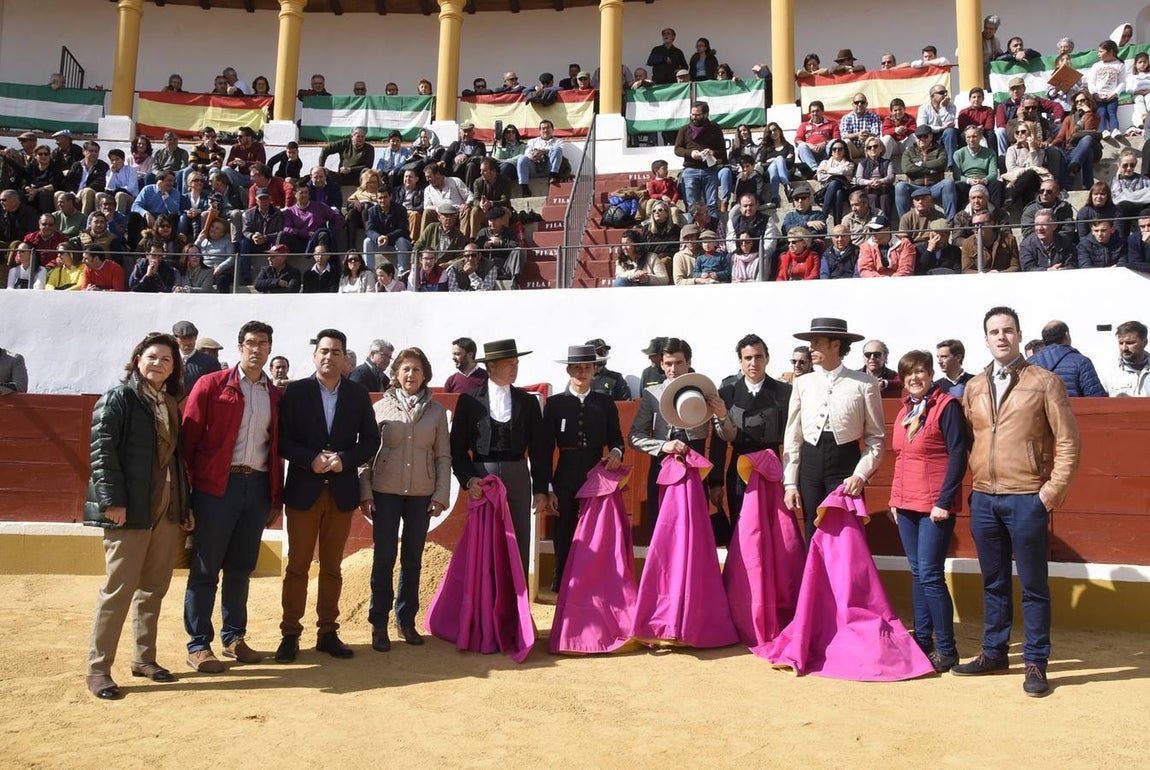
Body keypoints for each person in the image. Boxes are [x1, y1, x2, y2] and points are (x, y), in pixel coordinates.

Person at [953, 307, 1080, 698]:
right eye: (994, 332)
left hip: (1027, 496)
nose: (1002, 337)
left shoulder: (1046, 382)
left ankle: (1036, 661)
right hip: (986, 498)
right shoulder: (974, 386)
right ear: (986, 339)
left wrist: (1050, 493)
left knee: (1034, 584)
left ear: (1020, 335)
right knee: (993, 582)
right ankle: (994, 652)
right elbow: (970, 441)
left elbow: (1068, 441)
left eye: (1008, 330)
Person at [84, 333, 191, 700]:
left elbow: (176, 460)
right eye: (152, 357)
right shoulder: (119, 397)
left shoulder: (168, 403)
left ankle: (144, 658)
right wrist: (112, 502)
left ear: (174, 367)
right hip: (128, 508)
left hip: (163, 509)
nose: (158, 364)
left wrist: (183, 506)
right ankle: (99, 670)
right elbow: (102, 453)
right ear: (137, 360)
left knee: (154, 588)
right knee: (118, 590)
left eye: (166, 359)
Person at [180, 321, 282, 674]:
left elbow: (275, 449)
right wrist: (189, 495)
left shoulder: (273, 394)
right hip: (215, 488)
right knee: (206, 568)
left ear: (270, 349)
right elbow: (187, 443)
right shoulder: (211, 384)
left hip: (255, 486)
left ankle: (234, 638)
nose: (256, 349)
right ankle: (198, 644)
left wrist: (274, 497)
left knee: (241, 568)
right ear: (239, 348)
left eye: (263, 343)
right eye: (250, 343)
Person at [275, 329, 380, 663]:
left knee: (333, 567)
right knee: (298, 567)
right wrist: (310, 458)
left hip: (341, 491)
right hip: (304, 490)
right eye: (323, 351)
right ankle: (290, 633)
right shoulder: (296, 392)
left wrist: (344, 460)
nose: (328, 357)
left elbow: (370, 440)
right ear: (314, 355)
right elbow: (282, 440)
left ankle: (327, 632)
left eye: (336, 352)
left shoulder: (358, 394)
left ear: (345, 358)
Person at [359, 347, 451, 651]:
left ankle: (406, 621)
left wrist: (440, 495)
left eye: (416, 369)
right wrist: (365, 492)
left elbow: (442, 457)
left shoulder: (436, 412)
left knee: (412, 560)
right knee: (383, 559)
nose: (411, 375)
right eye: (405, 369)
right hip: (385, 493)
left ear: (425, 374)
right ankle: (378, 624)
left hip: (421, 495)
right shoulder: (380, 408)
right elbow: (366, 456)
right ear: (396, 374)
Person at [888, 350, 968, 673]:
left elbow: (958, 456)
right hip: (906, 503)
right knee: (919, 572)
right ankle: (923, 641)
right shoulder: (905, 409)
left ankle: (947, 649)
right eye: (908, 374)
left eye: (920, 371)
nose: (914, 378)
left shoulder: (947, 407)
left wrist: (944, 502)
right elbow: (901, 458)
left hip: (934, 504)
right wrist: (894, 499)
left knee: (932, 574)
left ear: (931, 373)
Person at [781, 318, 885, 545]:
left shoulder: (865, 383)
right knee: (812, 528)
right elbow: (793, 435)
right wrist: (790, 483)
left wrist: (860, 474)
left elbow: (876, 439)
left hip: (845, 463)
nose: (811, 347)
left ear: (835, 345)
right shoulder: (803, 383)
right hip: (810, 464)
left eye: (817, 342)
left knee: (847, 535)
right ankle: (814, 581)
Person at [450, 339, 550, 572]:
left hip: (517, 473)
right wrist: (468, 479)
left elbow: (539, 449)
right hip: (483, 475)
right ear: (491, 366)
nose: (515, 368)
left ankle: (517, 599)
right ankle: (483, 598)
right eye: (509, 364)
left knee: (519, 536)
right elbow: (456, 447)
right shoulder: (469, 400)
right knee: (484, 538)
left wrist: (541, 489)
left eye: (516, 363)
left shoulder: (527, 401)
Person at [542, 344, 625, 592]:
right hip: (566, 471)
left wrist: (616, 452)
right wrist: (548, 486)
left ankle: (593, 577)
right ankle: (562, 578)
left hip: (595, 472)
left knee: (596, 527)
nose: (582, 372)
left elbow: (617, 439)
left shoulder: (605, 402)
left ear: (594, 369)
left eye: (587, 367)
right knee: (565, 525)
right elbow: (545, 449)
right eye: (577, 367)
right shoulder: (555, 404)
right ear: (568, 370)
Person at [628, 338, 718, 530]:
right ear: (661, 364)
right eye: (668, 364)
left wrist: (723, 414)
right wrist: (661, 445)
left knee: (695, 526)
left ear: (689, 362)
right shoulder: (651, 394)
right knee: (662, 527)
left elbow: (722, 433)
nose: (673, 369)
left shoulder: (706, 390)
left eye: (678, 363)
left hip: (696, 467)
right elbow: (634, 437)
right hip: (662, 464)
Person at [708, 334, 791, 531]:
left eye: (758, 357)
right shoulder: (727, 392)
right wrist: (716, 482)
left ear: (767, 359)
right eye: (748, 358)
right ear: (740, 361)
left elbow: (794, 438)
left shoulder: (784, 392)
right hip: (739, 465)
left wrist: (791, 480)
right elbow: (719, 441)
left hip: (772, 466)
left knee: (773, 524)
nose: (753, 363)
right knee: (741, 523)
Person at [674, 102, 727, 218]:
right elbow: (677, 149)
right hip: (690, 170)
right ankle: (692, 232)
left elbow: (723, 151)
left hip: (709, 170)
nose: (694, 117)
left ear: (706, 114)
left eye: (697, 115)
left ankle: (713, 232)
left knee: (712, 204)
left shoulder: (715, 128)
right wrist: (690, 153)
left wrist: (713, 152)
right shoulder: (684, 130)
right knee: (692, 205)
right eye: (692, 114)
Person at [1027, 320, 1107, 397]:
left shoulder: (1028, 364)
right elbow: (1097, 399)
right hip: (1072, 410)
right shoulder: (1081, 362)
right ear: (1067, 335)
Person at [1104, 320, 1150, 396]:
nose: (1124, 348)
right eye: (1121, 343)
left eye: (1130, 343)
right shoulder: (1109, 372)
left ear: (1145, 342)